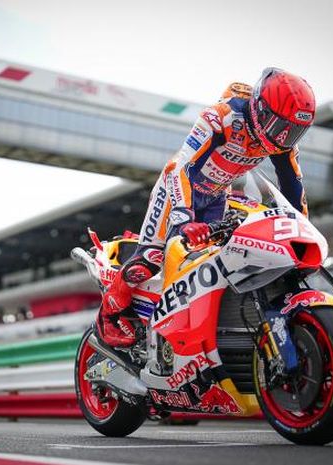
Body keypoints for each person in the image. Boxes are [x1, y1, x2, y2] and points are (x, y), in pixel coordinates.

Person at [97, 67, 316, 347]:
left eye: (294, 132)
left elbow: (293, 185)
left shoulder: (282, 144)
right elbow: (180, 167)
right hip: (176, 191)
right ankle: (107, 313)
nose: (283, 137)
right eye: (279, 127)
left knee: (213, 265)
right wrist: (183, 216)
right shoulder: (221, 117)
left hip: (215, 196)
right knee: (151, 258)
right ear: (260, 109)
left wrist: (301, 227)